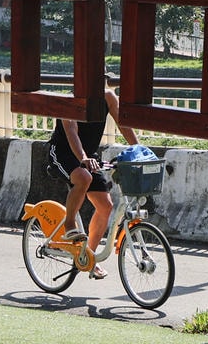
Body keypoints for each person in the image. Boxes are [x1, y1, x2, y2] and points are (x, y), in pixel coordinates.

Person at [47, 86, 138, 279]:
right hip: (63, 153)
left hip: (89, 157)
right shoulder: (69, 100)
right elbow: (71, 132)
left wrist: (138, 150)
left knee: (106, 206)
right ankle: (69, 224)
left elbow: (124, 123)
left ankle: (87, 257)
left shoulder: (108, 98)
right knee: (83, 177)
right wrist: (83, 158)